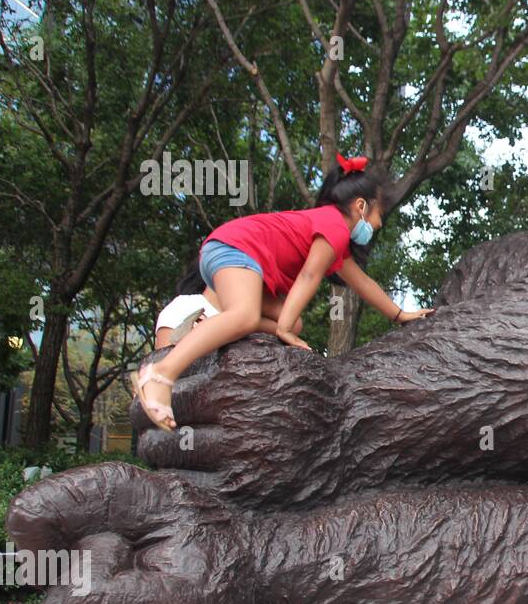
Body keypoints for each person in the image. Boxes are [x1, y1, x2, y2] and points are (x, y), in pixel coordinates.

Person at [133, 154, 431, 431]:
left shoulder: (334, 239)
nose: (378, 224)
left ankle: (205, 329)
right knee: (250, 316)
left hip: (234, 258)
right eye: (380, 214)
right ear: (361, 206)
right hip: (234, 249)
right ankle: (162, 374)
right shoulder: (334, 226)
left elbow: (363, 283)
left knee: (291, 323)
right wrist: (286, 330)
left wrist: (400, 314)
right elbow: (309, 276)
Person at [154, 261, 307, 349]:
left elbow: (292, 326)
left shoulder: (257, 317)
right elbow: (163, 356)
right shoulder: (185, 305)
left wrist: (249, 322)